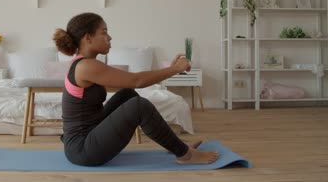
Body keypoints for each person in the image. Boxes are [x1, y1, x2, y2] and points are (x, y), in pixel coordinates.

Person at [52, 12, 218, 167]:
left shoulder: (84, 63)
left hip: (88, 136)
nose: (109, 37)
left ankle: (173, 145)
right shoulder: (86, 66)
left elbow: (130, 81)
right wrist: (174, 69)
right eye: (104, 32)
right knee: (138, 105)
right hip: (82, 150)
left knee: (127, 94)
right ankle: (185, 155)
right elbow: (136, 80)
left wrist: (171, 68)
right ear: (88, 38)